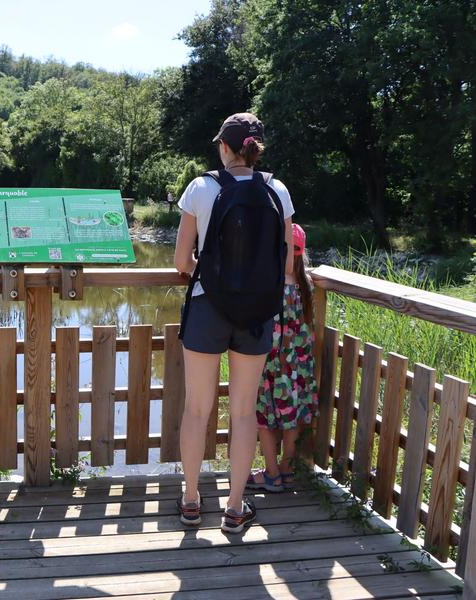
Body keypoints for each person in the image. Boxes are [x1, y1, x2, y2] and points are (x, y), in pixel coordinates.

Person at [173, 113, 295, 533]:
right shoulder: (277, 190)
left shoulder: (201, 187)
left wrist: (213, 277)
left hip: (208, 307)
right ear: (256, 149)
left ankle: (191, 501)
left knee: (197, 408)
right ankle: (235, 508)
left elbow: (181, 261)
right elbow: (286, 265)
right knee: (243, 412)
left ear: (224, 146)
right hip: (257, 313)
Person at [247, 224, 318, 492]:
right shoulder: (306, 285)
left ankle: (271, 473)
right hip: (298, 367)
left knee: (263, 417)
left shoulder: (268, 284)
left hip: (270, 365)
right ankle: (287, 470)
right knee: (292, 416)